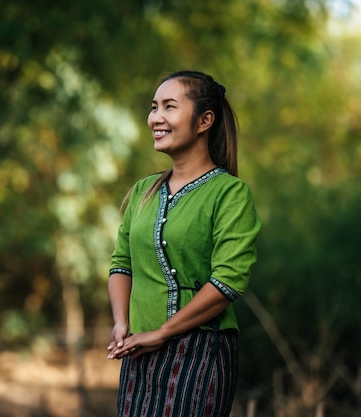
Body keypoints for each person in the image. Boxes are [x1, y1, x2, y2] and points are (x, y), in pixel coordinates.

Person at [106, 70, 262, 417]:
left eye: (169, 107)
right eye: (153, 107)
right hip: (139, 350)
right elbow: (121, 264)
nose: (156, 118)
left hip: (201, 351)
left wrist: (163, 332)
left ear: (205, 120)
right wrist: (122, 323)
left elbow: (228, 281)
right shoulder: (142, 192)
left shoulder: (230, 194)